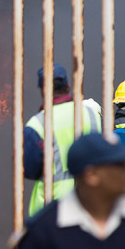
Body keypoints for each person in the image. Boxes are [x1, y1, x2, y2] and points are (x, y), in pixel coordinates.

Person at [23, 63, 102, 216]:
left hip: (52, 210)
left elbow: (30, 169)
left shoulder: (37, 124)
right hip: (93, 204)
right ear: (67, 87)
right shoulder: (92, 115)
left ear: (42, 90)